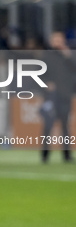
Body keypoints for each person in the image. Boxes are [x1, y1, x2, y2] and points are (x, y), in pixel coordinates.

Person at [41, 31, 76, 163]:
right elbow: (39, 74)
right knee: (47, 126)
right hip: (50, 97)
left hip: (65, 96)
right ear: (51, 42)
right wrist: (46, 84)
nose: (57, 42)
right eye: (55, 40)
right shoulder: (46, 56)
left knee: (65, 127)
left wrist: (68, 55)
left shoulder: (68, 55)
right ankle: (44, 155)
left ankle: (67, 155)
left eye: (60, 40)